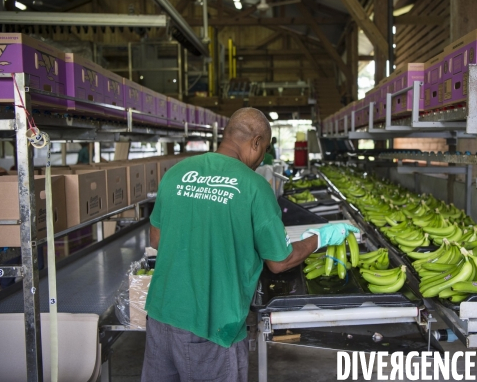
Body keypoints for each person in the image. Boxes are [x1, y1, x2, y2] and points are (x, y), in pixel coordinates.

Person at [142, 107, 358, 382]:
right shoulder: (254, 187)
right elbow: (279, 262)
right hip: (213, 326)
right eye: (264, 149)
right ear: (256, 142)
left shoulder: (177, 173)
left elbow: (157, 240)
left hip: (161, 318)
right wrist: (321, 238)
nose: (259, 160)